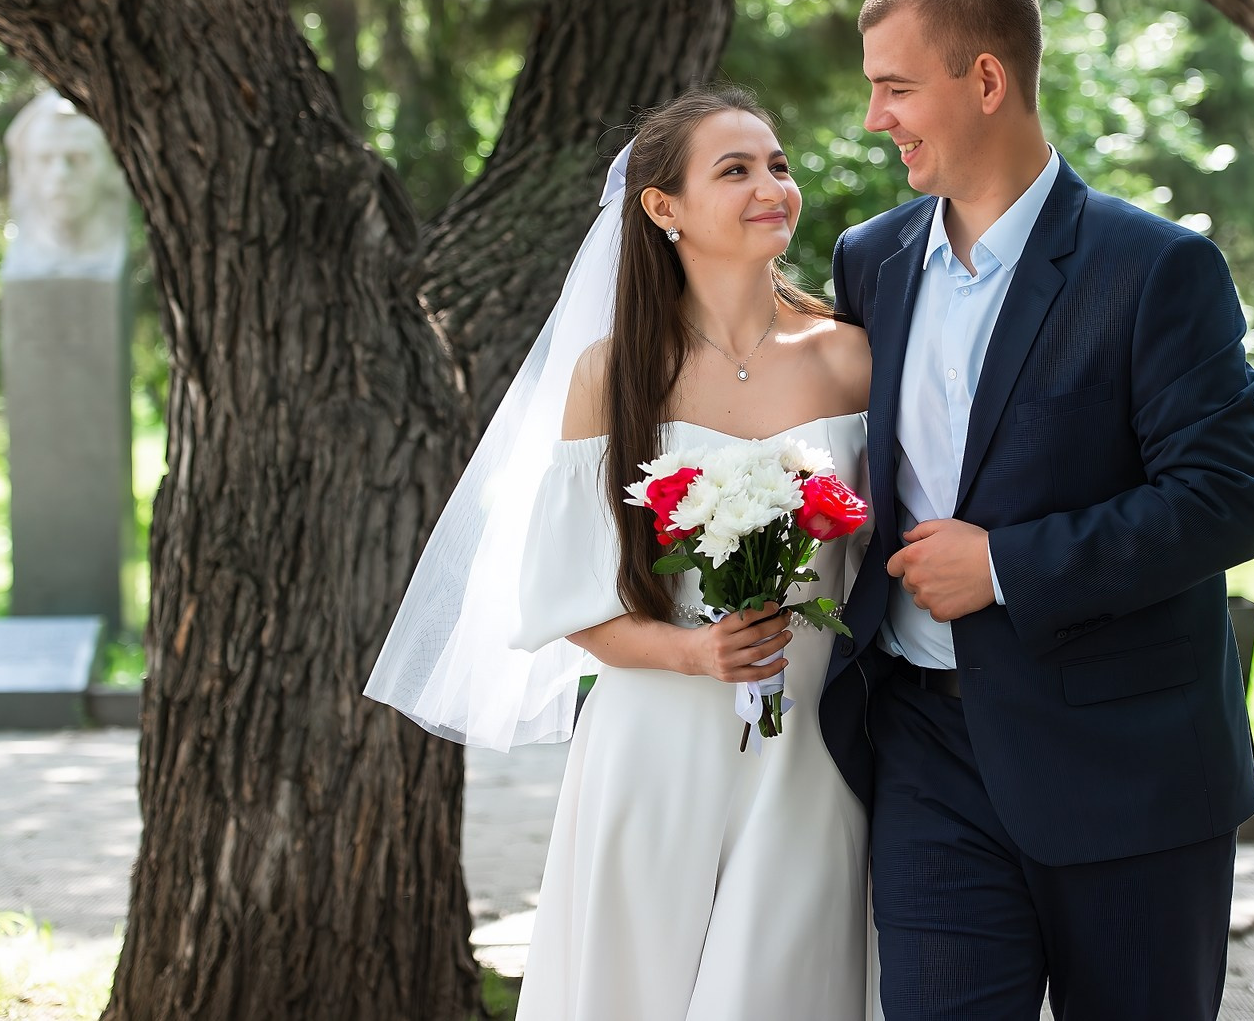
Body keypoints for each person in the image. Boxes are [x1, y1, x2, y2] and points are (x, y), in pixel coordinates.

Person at [818, 0, 1254, 1021]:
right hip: (924, 755)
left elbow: (1224, 495)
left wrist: (1004, 564)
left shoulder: (1155, 267)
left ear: (985, 80)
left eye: (895, 86)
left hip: (1126, 768)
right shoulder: (867, 259)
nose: (875, 115)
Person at [366, 85, 876, 1021]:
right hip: (657, 742)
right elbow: (571, 600)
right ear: (661, 207)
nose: (773, 186)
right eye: (736, 170)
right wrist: (694, 651)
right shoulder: (615, 374)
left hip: (812, 742)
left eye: (778, 164)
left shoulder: (852, 358)